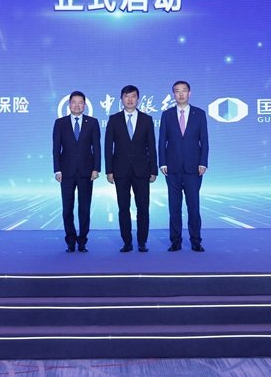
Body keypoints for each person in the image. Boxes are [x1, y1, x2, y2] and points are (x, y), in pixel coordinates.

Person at [105, 85, 157, 252]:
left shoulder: (146, 119)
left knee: (143, 207)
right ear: (121, 99)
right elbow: (108, 147)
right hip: (120, 171)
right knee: (123, 208)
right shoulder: (114, 119)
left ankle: (142, 241)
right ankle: (127, 242)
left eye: (133, 96)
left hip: (142, 170)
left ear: (138, 99)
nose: (130, 99)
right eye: (126, 96)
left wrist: (154, 170)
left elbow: (151, 146)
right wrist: (109, 170)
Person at [159, 80, 209, 252]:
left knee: (193, 206)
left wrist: (203, 162)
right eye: (177, 91)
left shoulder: (199, 114)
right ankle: (175, 241)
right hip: (172, 167)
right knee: (174, 207)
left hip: (194, 168)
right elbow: (162, 140)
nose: (180, 94)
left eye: (184, 91)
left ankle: (196, 241)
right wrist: (162, 162)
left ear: (189, 93)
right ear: (173, 94)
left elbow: (204, 140)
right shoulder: (167, 115)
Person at [52, 91, 101, 253]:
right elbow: (56, 148)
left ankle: (82, 241)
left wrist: (96, 168)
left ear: (84, 105)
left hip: (87, 172)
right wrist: (57, 169)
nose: (77, 105)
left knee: (84, 208)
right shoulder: (60, 123)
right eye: (74, 102)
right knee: (67, 208)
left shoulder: (92, 122)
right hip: (66, 172)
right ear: (69, 104)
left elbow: (96, 147)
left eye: (80, 102)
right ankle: (70, 240)